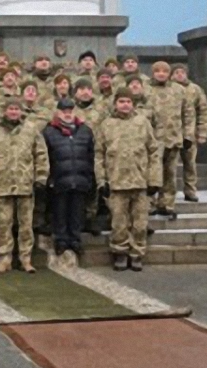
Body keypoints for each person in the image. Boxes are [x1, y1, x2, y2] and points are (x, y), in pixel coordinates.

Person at [0, 99, 49, 274]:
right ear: (4, 111)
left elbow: (41, 154)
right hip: (1, 185)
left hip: (25, 185)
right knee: (3, 224)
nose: (13, 112)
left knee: (26, 225)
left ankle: (26, 259)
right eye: (10, 109)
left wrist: (41, 177)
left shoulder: (30, 129)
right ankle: (4, 259)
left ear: (21, 111)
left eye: (16, 109)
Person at [95, 90, 161, 272]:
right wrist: (101, 181)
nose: (125, 104)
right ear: (115, 103)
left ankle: (137, 253)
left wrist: (154, 179)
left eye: (128, 101)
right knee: (118, 222)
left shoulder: (142, 123)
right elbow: (99, 154)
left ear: (133, 104)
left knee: (140, 223)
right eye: (121, 101)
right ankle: (120, 252)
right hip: (116, 182)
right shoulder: (106, 125)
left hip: (140, 182)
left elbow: (154, 151)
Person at [42, 99, 95, 257]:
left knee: (77, 212)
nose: (67, 114)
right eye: (64, 111)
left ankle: (75, 240)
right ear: (58, 113)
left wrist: (90, 175)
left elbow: (91, 155)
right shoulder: (49, 132)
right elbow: (45, 156)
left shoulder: (85, 131)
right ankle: (61, 241)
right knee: (60, 211)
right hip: (59, 179)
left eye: (70, 111)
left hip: (79, 178)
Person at [146, 61, 191, 219]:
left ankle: (167, 204)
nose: (161, 74)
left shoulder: (179, 90)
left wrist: (188, 135)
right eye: (157, 71)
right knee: (152, 174)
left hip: (173, 138)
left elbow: (188, 113)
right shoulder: (146, 89)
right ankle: (150, 204)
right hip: (152, 141)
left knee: (170, 173)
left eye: (165, 71)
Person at [172, 64, 207, 203]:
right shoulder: (168, 89)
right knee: (169, 166)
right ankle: (168, 194)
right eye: (176, 72)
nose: (179, 74)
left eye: (182, 72)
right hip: (170, 135)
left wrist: (202, 132)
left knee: (190, 164)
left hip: (190, 134)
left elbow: (204, 111)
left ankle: (190, 190)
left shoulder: (195, 90)